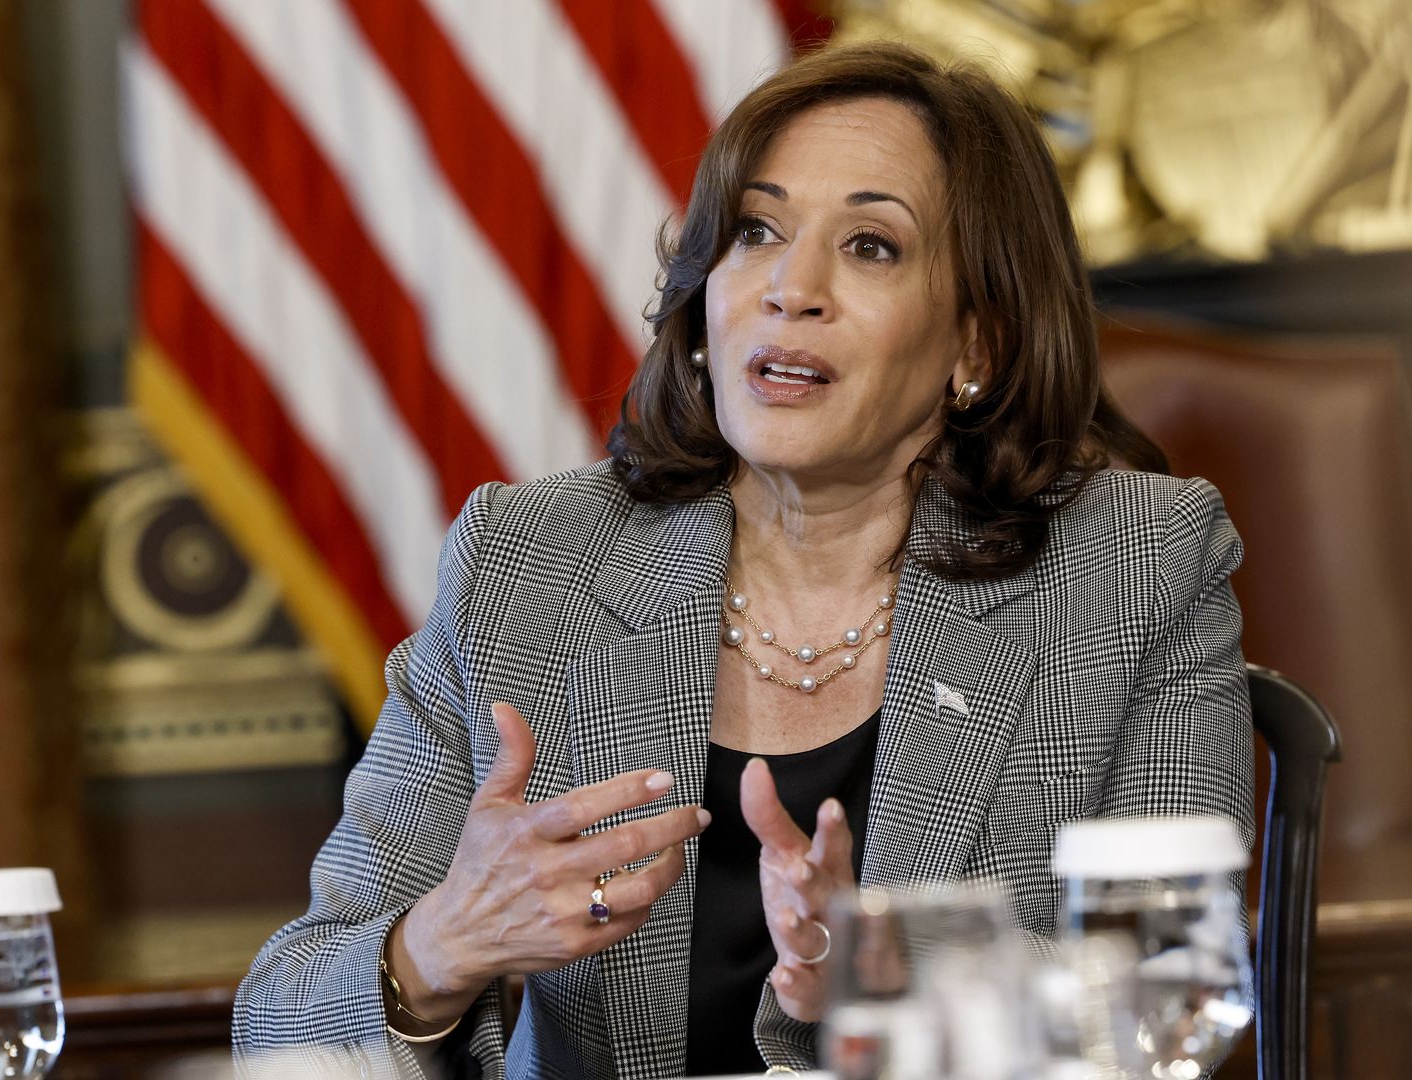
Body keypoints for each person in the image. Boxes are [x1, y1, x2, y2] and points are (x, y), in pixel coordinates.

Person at [232, 40, 1254, 1079]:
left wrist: (885, 962)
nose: (791, 287)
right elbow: (279, 1013)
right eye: (757, 231)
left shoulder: (1132, 565)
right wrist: (446, 942)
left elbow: (1172, 1002)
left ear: (975, 347)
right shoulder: (526, 565)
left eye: (871, 247)